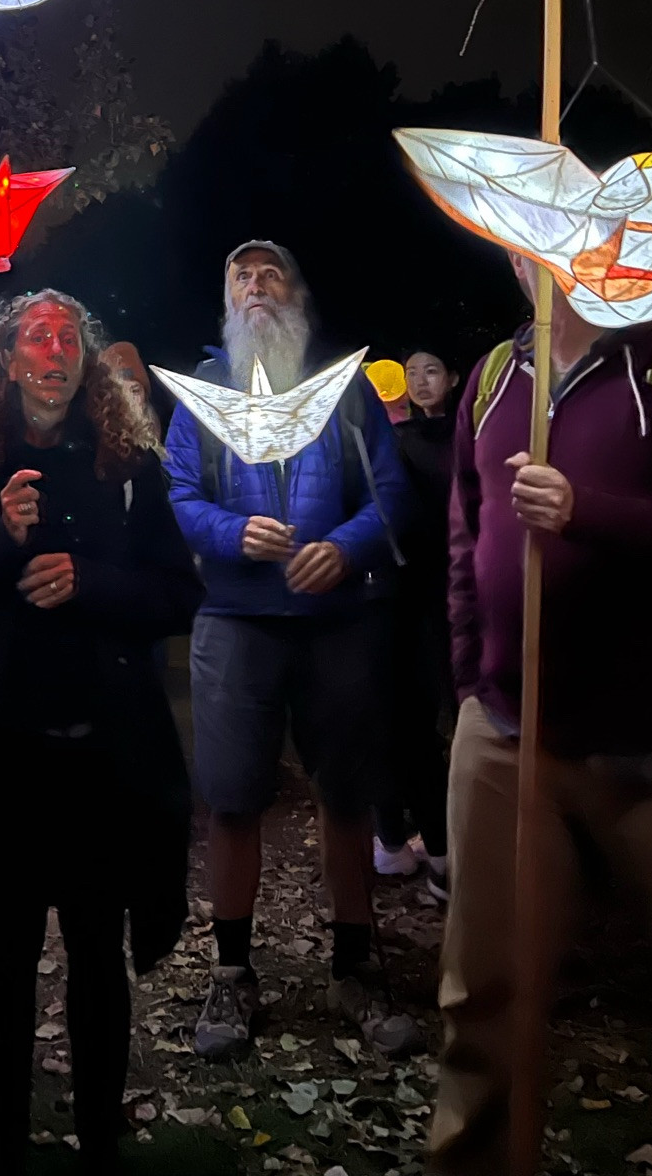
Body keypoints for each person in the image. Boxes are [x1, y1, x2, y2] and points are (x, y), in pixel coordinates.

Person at [429, 257, 652, 1175]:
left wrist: (584, 512)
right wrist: (467, 677)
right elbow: (465, 529)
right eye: (526, 244)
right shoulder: (493, 377)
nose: (543, 263)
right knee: (484, 1004)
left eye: (563, 241)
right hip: (508, 735)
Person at [0, 292, 201, 1176]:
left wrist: (91, 582)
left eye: (68, 338)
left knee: (96, 956)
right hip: (3, 763)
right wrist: (1, 538)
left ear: (86, 361)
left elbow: (175, 595)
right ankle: (3, 1142)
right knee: (2, 958)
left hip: (101, 762)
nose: (53, 350)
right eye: (35, 336)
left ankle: (100, 1138)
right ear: (7, 359)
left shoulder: (127, 465)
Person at [167, 240, 416, 1060]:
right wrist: (234, 532)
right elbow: (179, 495)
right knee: (233, 800)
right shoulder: (201, 396)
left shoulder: (345, 389)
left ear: (298, 295)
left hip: (337, 619)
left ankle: (355, 967)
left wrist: (344, 547)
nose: (257, 285)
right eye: (241, 274)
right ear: (226, 299)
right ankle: (232, 974)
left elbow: (391, 494)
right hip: (236, 619)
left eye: (272, 273)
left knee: (345, 796)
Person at [373, 347, 459, 897]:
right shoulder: (395, 445)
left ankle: (447, 843)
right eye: (412, 373)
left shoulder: (469, 437)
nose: (421, 381)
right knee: (405, 720)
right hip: (404, 598)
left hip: (455, 593)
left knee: (459, 715)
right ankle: (405, 839)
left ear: (452, 377)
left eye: (433, 369)